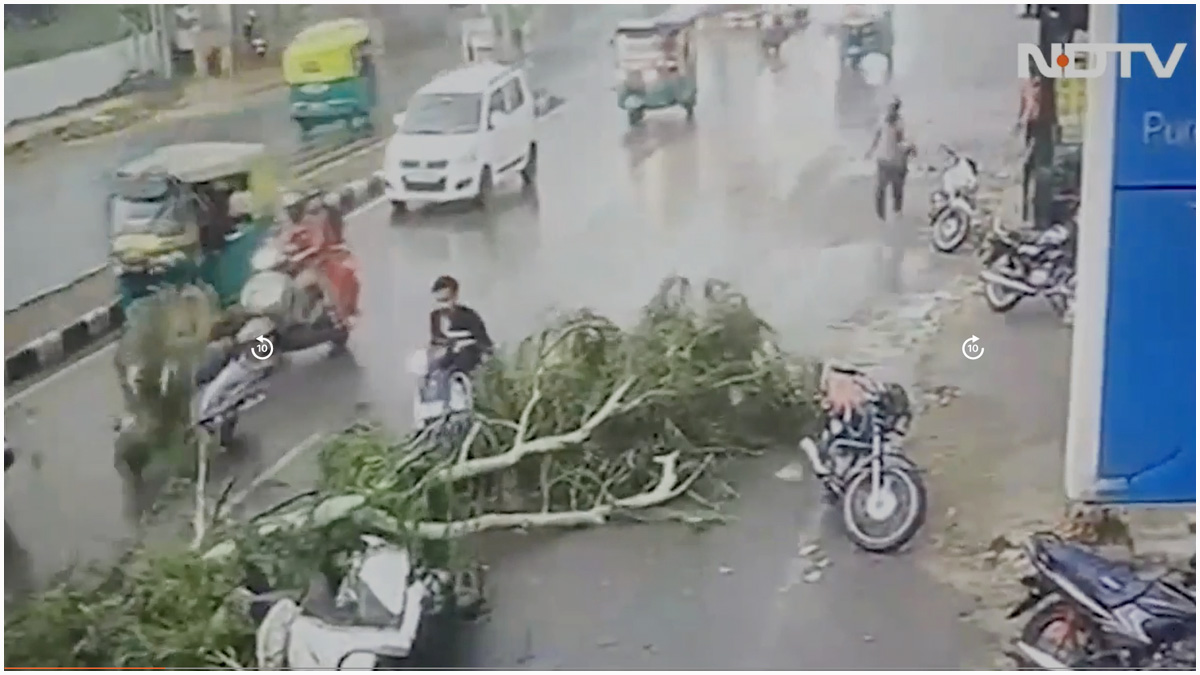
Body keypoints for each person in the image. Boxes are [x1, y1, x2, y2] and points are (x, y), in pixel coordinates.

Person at [428, 275, 493, 377]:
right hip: (445, 358)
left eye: (446, 300)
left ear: (455, 296)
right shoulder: (435, 316)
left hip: (467, 359)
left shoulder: (469, 316)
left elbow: (483, 340)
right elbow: (436, 339)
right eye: (439, 300)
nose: (442, 305)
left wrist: (468, 345)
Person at [865, 96, 913, 222]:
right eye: (890, 107)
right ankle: (881, 216)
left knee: (896, 190)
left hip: (896, 162)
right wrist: (870, 151)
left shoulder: (899, 123)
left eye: (894, 108)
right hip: (885, 160)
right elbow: (877, 136)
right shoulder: (883, 121)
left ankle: (896, 214)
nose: (891, 110)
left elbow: (901, 140)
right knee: (881, 190)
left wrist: (908, 149)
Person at [1014, 68, 1042, 221]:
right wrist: (1020, 122)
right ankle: (1025, 210)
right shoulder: (1028, 84)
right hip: (1031, 126)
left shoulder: (1039, 84)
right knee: (1029, 166)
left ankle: (1029, 211)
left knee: (1035, 167)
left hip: (1040, 126)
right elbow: (1025, 104)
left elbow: (1028, 105)